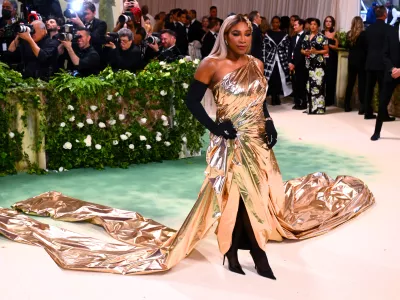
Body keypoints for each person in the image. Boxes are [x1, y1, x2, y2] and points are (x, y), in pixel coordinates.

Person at [0, 14, 375, 278]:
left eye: (248, 34)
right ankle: (250, 252)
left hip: (258, 139)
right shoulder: (210, 65)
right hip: (227, 140)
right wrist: (216, 126)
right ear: (226, 35)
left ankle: (237, 250)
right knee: (234, 195)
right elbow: (193, 102)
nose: (243, 39)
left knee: (258, 193)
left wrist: (271, 122)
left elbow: (260, 100)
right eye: (237, 34)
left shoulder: (257, 64)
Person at [371, 18, 399, 140]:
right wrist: (392, 68)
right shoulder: (391, 31)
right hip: (391, 72)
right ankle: (377, 132)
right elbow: (384, 54)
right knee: (383, 102)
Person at [364, 6, 392, 119]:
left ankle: (367, 112)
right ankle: (383, 114)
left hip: (370, 62)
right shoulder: (389, 29)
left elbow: (366, 46)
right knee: (383, 90)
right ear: (385, 15)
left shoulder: (369, 29)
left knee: (369, 89)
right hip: (382, 63)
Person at [262, 16, 292, 105]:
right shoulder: (268, 34)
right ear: (272, 23)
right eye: (274, 22)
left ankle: (278, 96)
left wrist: (288, 60)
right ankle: (273, 96)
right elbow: (264, 48)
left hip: (282, 60)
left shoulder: (284, 34)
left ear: (279, 23)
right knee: (271, 78)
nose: (275, 24)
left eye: (277, 22)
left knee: (280, 78)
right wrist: (264, 60)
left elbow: (287, 48)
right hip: (270, 60)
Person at [301, 18, 329, 114]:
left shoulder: (322, 37)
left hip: (318, 64)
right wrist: (305, 52)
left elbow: (326, 50)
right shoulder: (306, 36)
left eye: (314, 24)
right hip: (308, 63)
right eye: (311, 24)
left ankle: (319, 109)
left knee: (318, 85)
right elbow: (302, 49)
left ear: (318, 26)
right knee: (309, 86)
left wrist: (316, 51)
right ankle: (310, 108)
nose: (312, 26)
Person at [344, 16, 367, 112]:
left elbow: (346, 46)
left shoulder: (349, 34)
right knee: (362, 83)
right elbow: (366, 48)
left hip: (351, 60)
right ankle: (362, 107)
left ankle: (346, 105)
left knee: (350, 83)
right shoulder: (364, 34)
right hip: (362, 60)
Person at [289, 18, 307, 110]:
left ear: (301, 25)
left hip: (302, 64)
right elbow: (290, 51)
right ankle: (296, 102)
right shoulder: (293, 37)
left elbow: (302, 53)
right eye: (293, 25)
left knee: (302, 84)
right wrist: (290, 62)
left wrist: (295, 64)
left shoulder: (306, 36)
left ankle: (303, 102)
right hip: (293, 64)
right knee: (294, 84)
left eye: (296, 25)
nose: (294, 26)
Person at [322, 16, 339, 107]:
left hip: (332, 58)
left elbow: (336, 46)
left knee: (330, 79)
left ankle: (330, 99)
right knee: (322, 78)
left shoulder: (335, 33)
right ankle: (321, 98)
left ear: (332, 23)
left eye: (330, 21)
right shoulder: (321, 33)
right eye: (326, 21)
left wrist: (327, 44)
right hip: (322, 57)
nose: (328, 23)